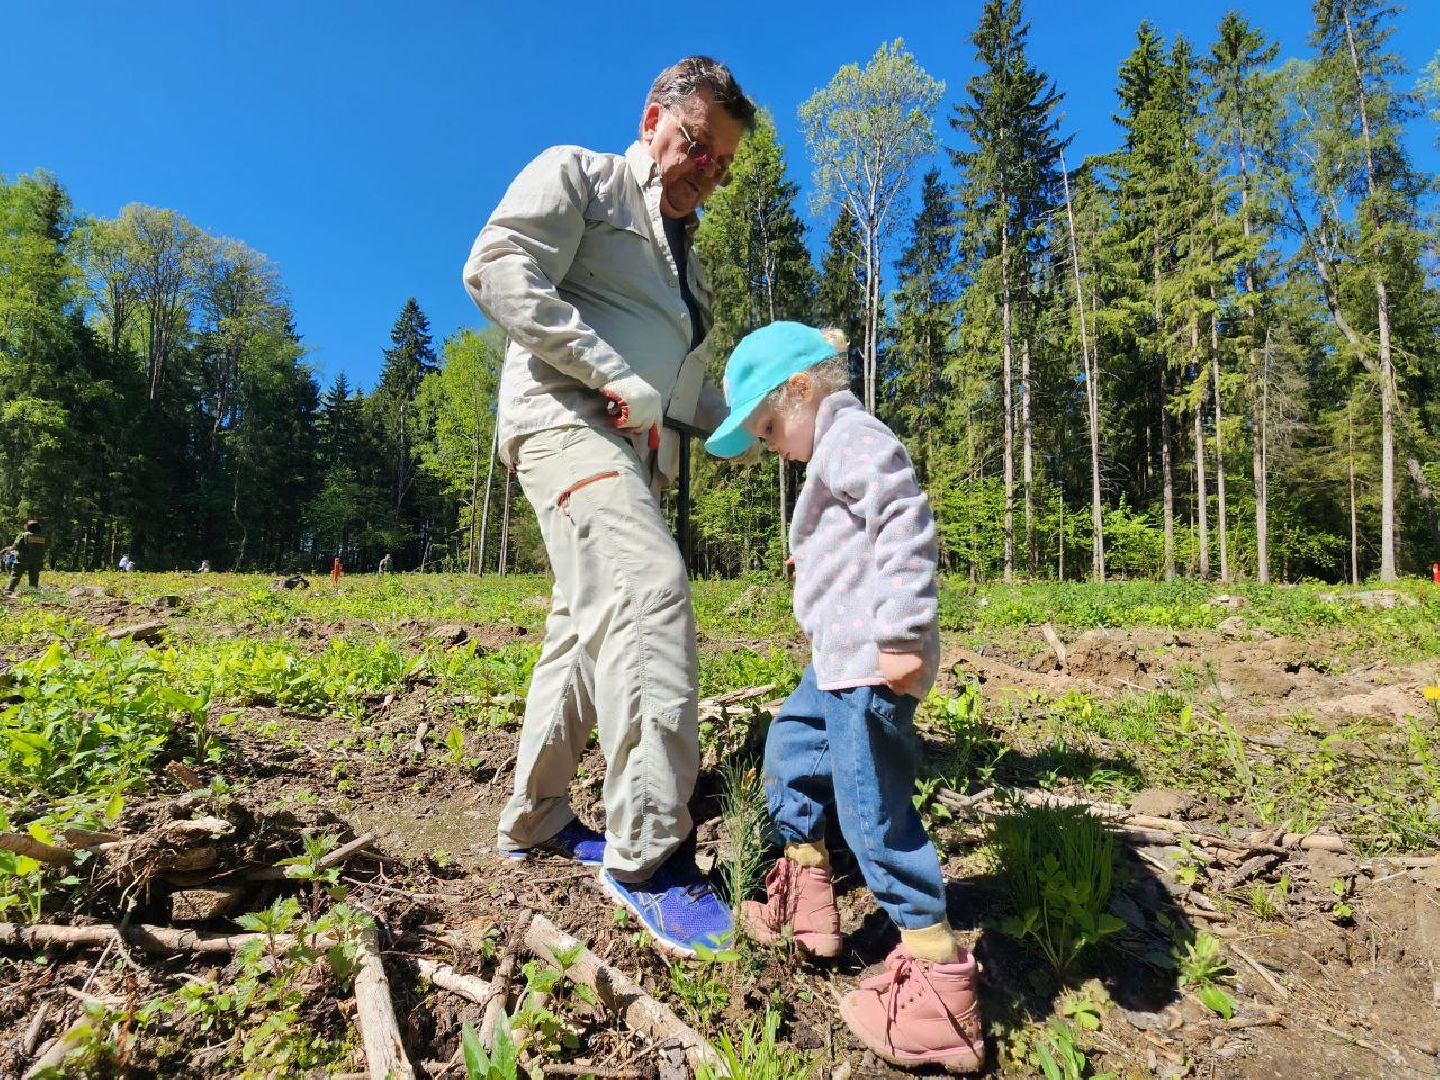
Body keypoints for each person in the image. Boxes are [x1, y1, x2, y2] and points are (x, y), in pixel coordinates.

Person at [462, 56, 755, 955]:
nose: (707, 171)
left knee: (581, 632)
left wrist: (767, 421)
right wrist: (608, 372)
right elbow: (496, 267)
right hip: (565, 422)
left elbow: (686, 395)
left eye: (722, 163)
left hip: (636, 461)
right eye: (697, 145)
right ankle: (650, 858)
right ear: (653, 118)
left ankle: (537, 817)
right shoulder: (582, 179)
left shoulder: (691, 274)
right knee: (646, 590)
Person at [706, 323, 985, 1073]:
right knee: (791, 747)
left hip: (870, 660)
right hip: (836, 662)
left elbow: (903, 517)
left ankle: (939, 989)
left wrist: (903, 631)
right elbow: (856, 533)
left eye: (769, 429)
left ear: (801, 391)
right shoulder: (829, 452)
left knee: (872, 812)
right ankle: (808, 898)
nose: (771, 448)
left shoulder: (852, 436)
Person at [5, 520, 46, 595]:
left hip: (23, 559)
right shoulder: (42, 537)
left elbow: (16, 546)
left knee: (16, 575)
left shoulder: (24, 535)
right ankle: (33, 592)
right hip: (37, 560)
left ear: (29, 527)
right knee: (34, 577)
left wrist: (9, 548)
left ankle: (9, 591)